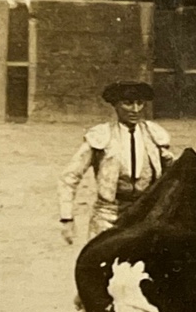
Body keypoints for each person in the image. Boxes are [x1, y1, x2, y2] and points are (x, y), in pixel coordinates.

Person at [58, 81, 175, 245]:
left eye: (139, 103)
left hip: (146, 213)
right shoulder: (101, 136)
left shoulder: (154, 134)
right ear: (116, 105)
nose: (135, 110)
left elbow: (174, 171)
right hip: (108, 215)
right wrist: (66, 218)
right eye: (128, 103)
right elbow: (70, 177)